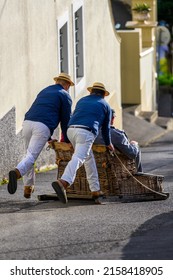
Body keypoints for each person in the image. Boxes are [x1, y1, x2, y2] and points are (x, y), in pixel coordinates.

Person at [7, 73, 74, 198]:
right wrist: (67, 140)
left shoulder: (45, 91)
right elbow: (65, 120)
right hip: (43, 126)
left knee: (28, 154)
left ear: (57, 82)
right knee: (31, 156)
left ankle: (28, 187)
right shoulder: (65, 96)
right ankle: (16, 172)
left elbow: (41, 110)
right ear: (67, 85)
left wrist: (48, 138)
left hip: (27, 123)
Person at [51, 82, 114, 203]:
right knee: (79, 157)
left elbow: (73, 115)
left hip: (71, 130)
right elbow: (106, 128)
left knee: (88, 158)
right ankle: (63, 182)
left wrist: (66, 139)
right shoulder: (105, 105)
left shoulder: (82, 100)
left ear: (91, 92)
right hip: (85, 132)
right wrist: (108, 143)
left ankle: (95, 190)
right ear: (103, 95)